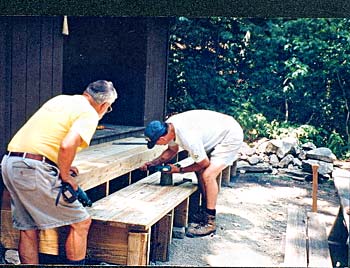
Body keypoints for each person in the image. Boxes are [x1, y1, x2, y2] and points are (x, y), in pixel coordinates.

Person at [1, 80, 118, 264]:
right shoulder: (89, 113)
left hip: (11, 163)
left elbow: (48, 137)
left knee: (28, 228)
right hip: (32, 168)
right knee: (81, 222)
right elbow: (67, 144)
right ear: (104, 105)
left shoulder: (61, 100)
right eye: (108, 109)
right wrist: (64, 175)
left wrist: (59, 163)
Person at [140, 109, 243, 237]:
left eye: (156, 143)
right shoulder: (169, 127)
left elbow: (203, 163)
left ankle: (210, 222)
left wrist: (179, 170)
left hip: (230, 135)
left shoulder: (188, 137)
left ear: (162, 138)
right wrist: (154, 163)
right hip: (217, 130)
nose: (156, 145)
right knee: (200, 171)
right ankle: (205, 212)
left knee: (208, 175)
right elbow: (172, 151)